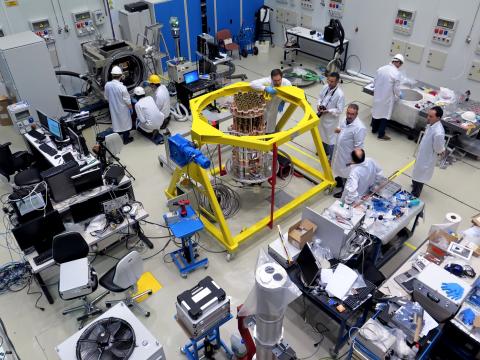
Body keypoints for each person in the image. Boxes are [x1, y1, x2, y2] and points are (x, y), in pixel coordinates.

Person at [331, 103, 367, 198]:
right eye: (348, 113)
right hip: (340, 151)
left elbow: (358, 147)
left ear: (356, 114)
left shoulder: (359, 128)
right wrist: (338, 130)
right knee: (338, 169)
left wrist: (354, 161)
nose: (349, 116)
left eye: (352, 114)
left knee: (347, 175)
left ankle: (344, 192)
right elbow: (342, 127)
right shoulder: (344, 119)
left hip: (348, 156)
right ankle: (339, 181)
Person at [411, 106, 445, 197]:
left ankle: (415, 194)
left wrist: (442, 150)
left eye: (431, 116)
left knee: (421, 176)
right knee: (417, 172)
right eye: (428, 115)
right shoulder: (431, 124)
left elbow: (438, 148)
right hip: (422, 154)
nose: (428, 118)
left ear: (438, 118)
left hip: (427, 158)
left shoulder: (439, 133)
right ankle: (414, 185)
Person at [371, 54, 404, 141]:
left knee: (376, 111)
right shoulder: (396, 73)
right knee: (384, 115)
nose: (400, 66)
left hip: (378, 95)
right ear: (398, 62)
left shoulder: (381, 68)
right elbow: (396, 89)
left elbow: (374, 81)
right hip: (387, 98)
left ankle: (374, 129)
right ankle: (381, 134)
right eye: (400, 64)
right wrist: (400, 94)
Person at [250, 69, 292, 134]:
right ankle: (258, 132)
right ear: (271, 78)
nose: (277, 83)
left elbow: (290, 95)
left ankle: (269, 134)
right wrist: (265, 88)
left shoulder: (287, 83)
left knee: (271, 121)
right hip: (265, 104)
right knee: (260, 121)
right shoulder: (268, 81)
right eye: (275, 81)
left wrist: (283, 101)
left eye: (279, 80)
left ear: (282, 77)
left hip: (276, 105)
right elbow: (252, 84)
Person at [317, 72, 345, 159]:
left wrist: (328, 111)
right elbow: (320, 97)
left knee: (331, 139)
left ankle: (331, 158)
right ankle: (323, 151)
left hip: (331, 121)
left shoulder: (340, 94)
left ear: (337, 82)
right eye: (328, 80)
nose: (329, 83)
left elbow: (340, 110)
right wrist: (318, 104)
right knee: (321, 135)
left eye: (332, 81)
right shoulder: (325, 87)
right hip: (322, 117)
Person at [104, 66, 134, 144]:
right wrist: (131, 109)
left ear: (112, 75)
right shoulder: (122, 87)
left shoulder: (107, 85)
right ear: (121, 76)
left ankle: (118, 137)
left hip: (113, 108)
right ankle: (126, 139)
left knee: (117, 122)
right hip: (123, 109)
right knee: (125, 124)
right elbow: (127, 101)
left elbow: (106, 97)